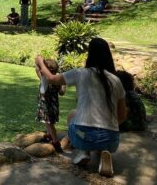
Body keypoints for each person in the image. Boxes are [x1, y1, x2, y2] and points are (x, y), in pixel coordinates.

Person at [36, 38, 126, 178]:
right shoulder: (116, 80)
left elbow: (52, 79)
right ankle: (103, 150)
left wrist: (40, 62)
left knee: (73, 114)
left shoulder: (80, 73)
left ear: (90, 54)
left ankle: (83, 151)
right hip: (111, 139)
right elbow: (122, 116)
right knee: (102, 131)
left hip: (84, 136)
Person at [35, 58, 66, 152]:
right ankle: (48, 135)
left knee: (50, 124)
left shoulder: (45, 80)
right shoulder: (57, 80)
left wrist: (40, 63)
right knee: (48, 123)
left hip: (46, 107)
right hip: (54, 107)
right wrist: (64, 83)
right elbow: (62, 92)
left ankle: (56, 142)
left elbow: (37, 69)